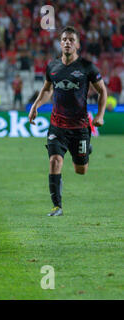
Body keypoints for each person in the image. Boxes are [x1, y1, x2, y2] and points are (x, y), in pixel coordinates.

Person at [28, 26, 107, 217]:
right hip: (57, 126)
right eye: (64, 39)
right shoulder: (52, 67)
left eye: (71, 39)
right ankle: (57, 207)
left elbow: (102, 91)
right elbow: (47, 89)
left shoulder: (88, 67)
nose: (67, 42)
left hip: (80, 127)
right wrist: (35, 105)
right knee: (55, 161)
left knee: (81, 170)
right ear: (60, 43)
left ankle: (87, 148)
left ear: (78, 44)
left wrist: (100, 115)